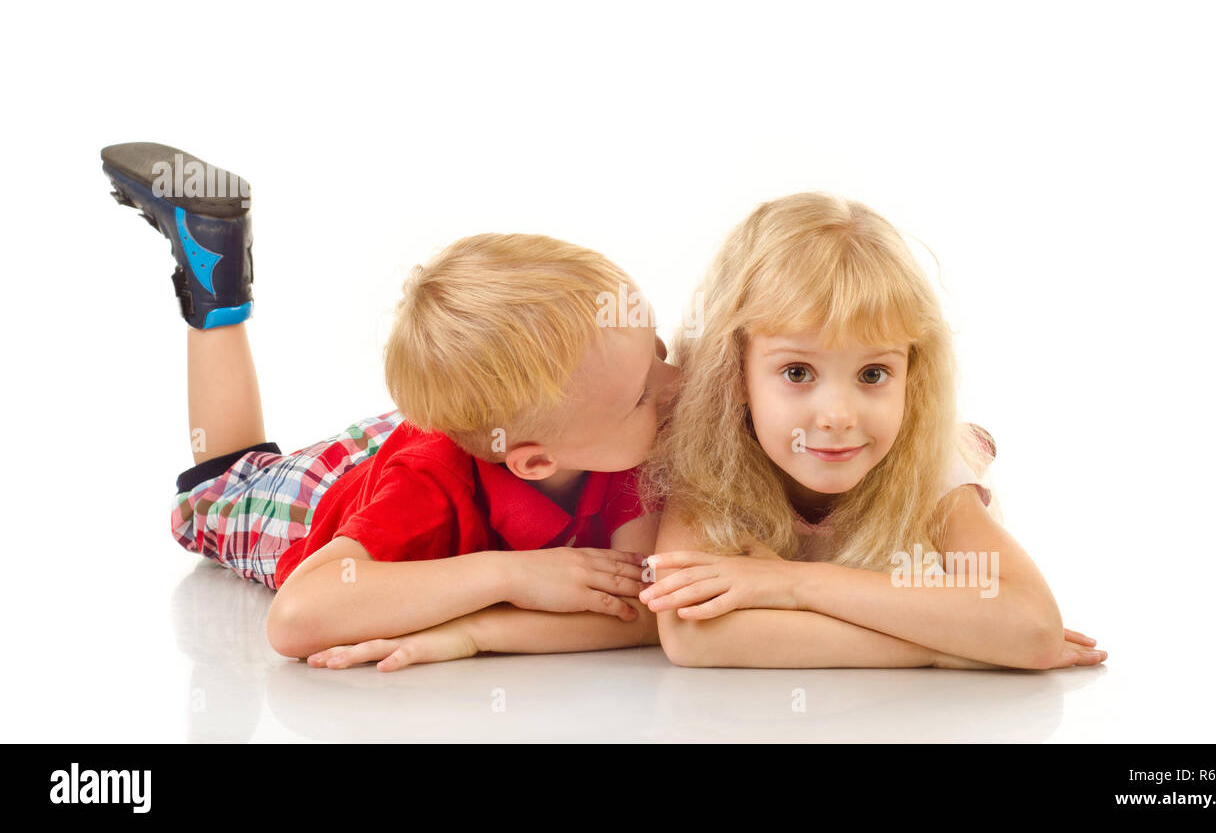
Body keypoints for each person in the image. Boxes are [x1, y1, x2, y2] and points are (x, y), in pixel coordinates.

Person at [102, 141, 680, 672]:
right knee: (221, 485)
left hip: (406, 439)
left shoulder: (622, 445)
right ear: (533, 462)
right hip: (319, 501)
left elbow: (642, 615)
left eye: (656, 350)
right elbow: (295, 617)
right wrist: (509, 575)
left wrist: (480, 631)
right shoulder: (425, 490)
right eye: (642, 395)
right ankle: (213, 271)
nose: (677, 382)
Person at [638, 192, 1107, 670]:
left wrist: (794, 585)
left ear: (912, 374)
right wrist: (946, 644)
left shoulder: (924, 460)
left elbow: (1032, 629)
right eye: (798, 373)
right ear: (735, 373)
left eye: (873, 374)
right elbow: (693, 634)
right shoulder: (707, 455)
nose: (838, 416)